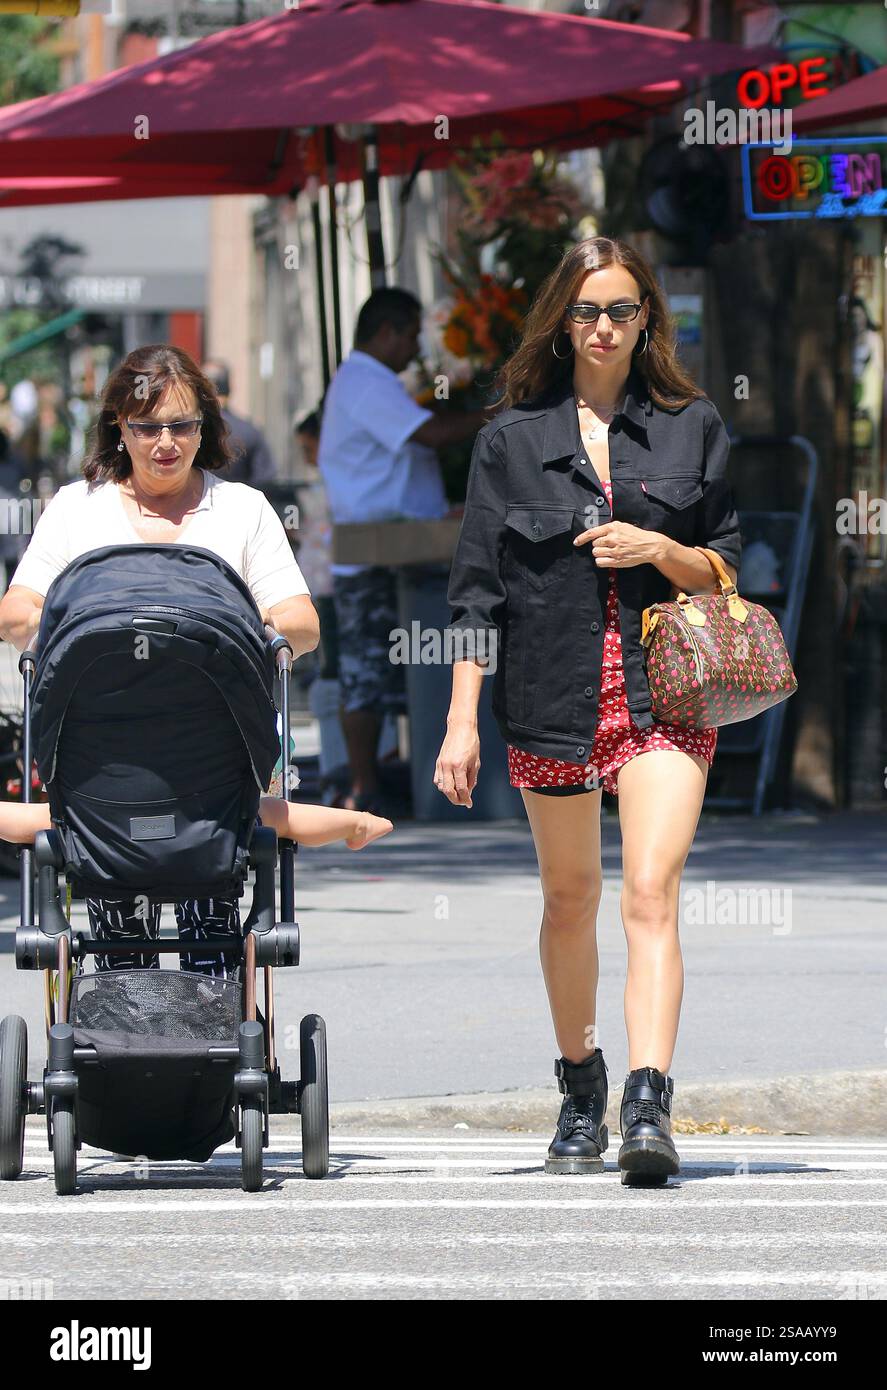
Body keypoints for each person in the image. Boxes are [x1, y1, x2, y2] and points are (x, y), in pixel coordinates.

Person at [436, 236, 741, 1186]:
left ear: (647, 316)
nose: (602, 327)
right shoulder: (510, 441)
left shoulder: (692, 426)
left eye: (620, 309)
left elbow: (725, 568)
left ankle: (647, 1102)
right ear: (559, 321)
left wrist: (657, 544)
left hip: (666, 692)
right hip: (550, 691)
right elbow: (474, 595)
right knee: (570, 899)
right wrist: (458, 719)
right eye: (584, 311)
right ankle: (580, 1089)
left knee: (651, 892)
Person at [0, 343, 321, 979]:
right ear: (119, 426)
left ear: (207, 426)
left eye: (183, 425)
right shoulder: (76, 508)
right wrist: (79, 624)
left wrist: (245, 623)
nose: (165, 442)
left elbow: (302, 624)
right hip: (106, 755)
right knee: (120, 928)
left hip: (218, 752)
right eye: (147, 426)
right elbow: (15, 614)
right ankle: (122, 1039)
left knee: (213, 922)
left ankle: (216, 1038)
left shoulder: (241, 510)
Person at [318, 287, 492, 815]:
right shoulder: (364, 381)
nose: (416, 348)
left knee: (396, 669)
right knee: (368, 673)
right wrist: (500, 414)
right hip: (372, 554)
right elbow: (432, 434)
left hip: (397, 546)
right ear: (388, 331)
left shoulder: (371, 381)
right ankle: (365, 787)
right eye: (413, 334)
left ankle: (390, 782)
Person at [200, 358, 277, 485]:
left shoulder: (188, 431)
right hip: (240, 503)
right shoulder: (250, 431)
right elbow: (265, 480)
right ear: (230, 387)